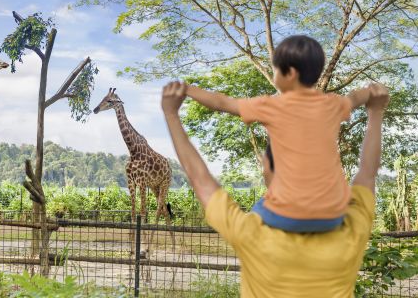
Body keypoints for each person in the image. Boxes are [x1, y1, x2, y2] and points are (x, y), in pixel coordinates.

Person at [161, 80, 388, 297]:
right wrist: (375, 113)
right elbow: (367, 173)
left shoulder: (252, 234)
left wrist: (171, 114)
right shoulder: (350, 230)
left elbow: (200, 179)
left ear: (268, 168)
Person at [184, 35, 375, 233]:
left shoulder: (273, 105)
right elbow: (354, 98)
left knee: (253, 217)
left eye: (275, 70)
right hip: (333, 215)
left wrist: (188, 89)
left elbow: (222, 103)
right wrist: (371, 92)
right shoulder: (333, 104)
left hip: (289, 215)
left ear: (290, 73)